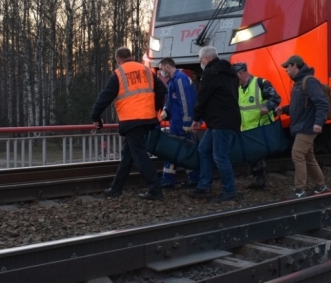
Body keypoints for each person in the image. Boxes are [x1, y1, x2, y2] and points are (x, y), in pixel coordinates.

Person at [91, 46, 167, 200]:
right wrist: (155, 107)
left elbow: (105, 96)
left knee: (139, 155)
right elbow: (162, 89)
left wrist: (96, 116)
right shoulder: (146, 70)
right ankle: (116, 188)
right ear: (131, 56)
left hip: (131, 120)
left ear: (118, 60)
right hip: (147, 118)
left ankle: (154, 189)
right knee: (128, 154)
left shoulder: (119, 73)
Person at [187, 46, 241, 202]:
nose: (200, 63)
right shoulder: (230, 73)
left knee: (220, 156)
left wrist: (196, 119)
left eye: (200, 60)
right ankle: (204, 185)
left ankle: (230, 190)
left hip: (220, 121)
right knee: (204, 149)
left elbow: (202, 97)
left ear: (207, 59)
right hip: (226, 119)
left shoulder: (210, 74)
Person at [274, 55, 329, 198]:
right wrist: (284, 109)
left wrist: (318, 123)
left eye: (288, 66)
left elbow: (322, 103)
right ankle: (321, 185)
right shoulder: (298, 84)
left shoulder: (309, 82)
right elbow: (297, 106)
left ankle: (300, 190)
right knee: (309, 157)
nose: (286, 70)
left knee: (297, 154)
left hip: (308, 126)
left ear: (295, 66)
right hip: (302, 126)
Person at [233, 61, 281, 189]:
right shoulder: (238, 88)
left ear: (241, 73)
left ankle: (260, 180)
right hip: (246, 128)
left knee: (257, 156)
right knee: (252, 156)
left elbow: (275, 98)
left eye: (234, 76)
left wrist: (267, 107)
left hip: (260, 126)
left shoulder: (261, 83)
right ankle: (258, 179)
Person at [158, 57, 198, 189]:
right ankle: (191, 178)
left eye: (161, 68)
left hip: (181, 124)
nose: (160, 71)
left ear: (167, 66)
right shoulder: (173, 81)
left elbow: (185, 102)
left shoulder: (179, 79)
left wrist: (187, 122)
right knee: (181, 150)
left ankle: (171, 179)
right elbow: (172, 100)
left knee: (180, 150)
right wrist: (165, 110)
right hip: (176, 122)